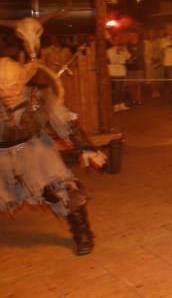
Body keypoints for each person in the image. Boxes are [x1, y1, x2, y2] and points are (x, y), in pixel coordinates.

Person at [0, 57, 106, 255]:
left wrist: (85, 147)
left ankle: (83, 234)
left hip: (36, 151)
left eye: (12, 87)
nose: (6, 93)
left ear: (23, 80)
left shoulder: (41, 96)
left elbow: (65, 121)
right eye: (0, 89)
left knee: (63, 190)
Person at [107, 34, 131, 112]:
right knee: (116, 89)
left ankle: (122, 104)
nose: (117, 41)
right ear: (112, 42)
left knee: (121, 88)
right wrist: (117, 52)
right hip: (114, 71)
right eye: (115, 40)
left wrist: (123, 51)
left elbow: (128, 57)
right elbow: (113, 61)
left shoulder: (123, 48)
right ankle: (115, 105)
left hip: (122, 70)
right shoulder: (109, 50)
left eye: (118, 40)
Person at [125, 30, 146, 106]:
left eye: (133, 34)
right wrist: (129, 59)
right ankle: (133, 99)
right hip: (130, 67)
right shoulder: (128, 44)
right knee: (131, 84)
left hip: (139, 66)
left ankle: (138, 99)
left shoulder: (141, 43)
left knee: (138, 84)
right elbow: (125, 53)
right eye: (130, 35)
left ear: (137, 35)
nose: (132, 36)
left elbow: (140, 53)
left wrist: (132, 58)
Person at [144, 28, 163, 99]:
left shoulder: (158, 41)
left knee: (157, 77)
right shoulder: (146, 42)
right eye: (150, 33)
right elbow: (145, 53)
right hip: (149, 62)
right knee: (151, 78)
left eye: (152, 32)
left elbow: (160, 50)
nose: (151, 34)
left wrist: (156, 58)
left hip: (157, 61)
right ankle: (153, 91)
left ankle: (157, 90)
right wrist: (150, 59)